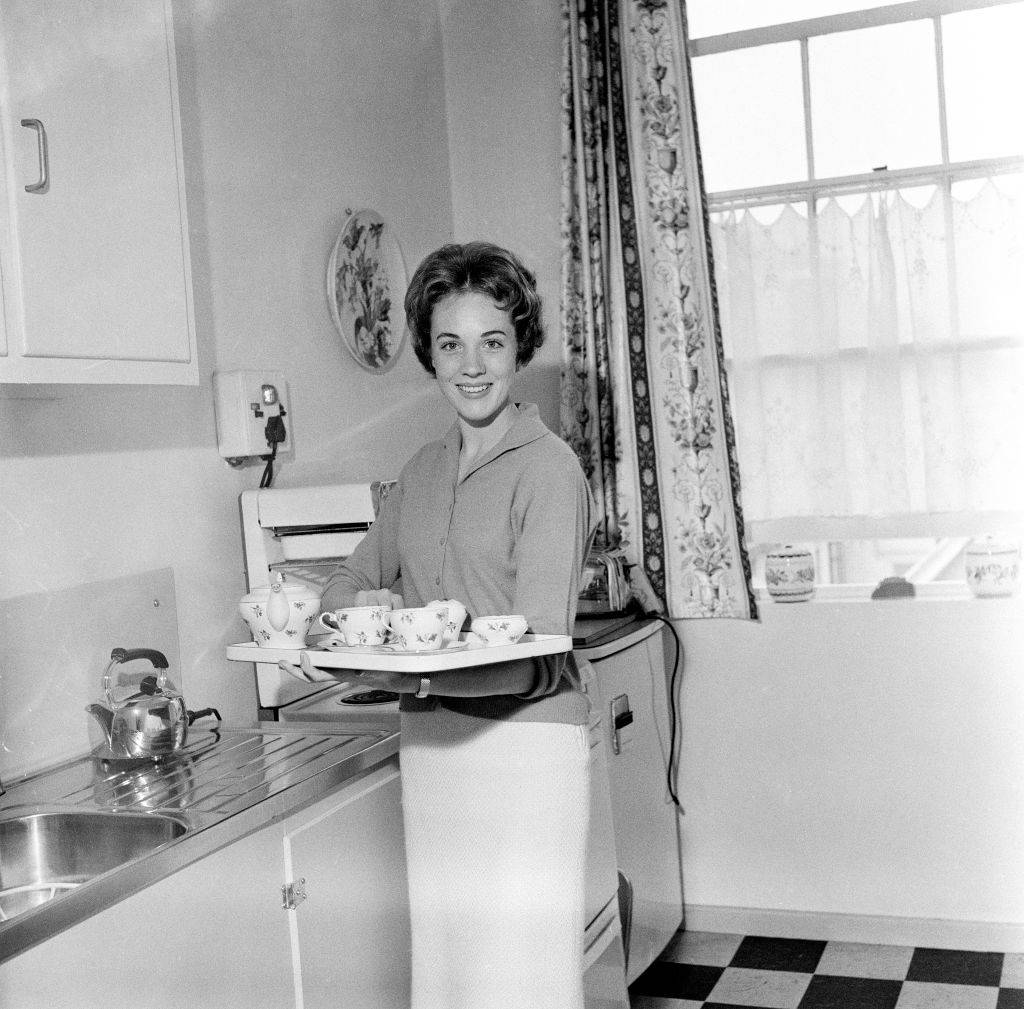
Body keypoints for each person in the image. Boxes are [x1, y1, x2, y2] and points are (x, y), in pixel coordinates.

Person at [316, 241, 597, 1009]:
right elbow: (347, 581)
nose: (472, 365)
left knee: (522, 982)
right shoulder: (420, 471)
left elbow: (540, 646)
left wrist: (400, 663)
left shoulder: (549, 469)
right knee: (446, 977)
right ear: (430, 355)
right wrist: (353, 619)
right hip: (433, 746)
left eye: (492, 342)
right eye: (451, 344)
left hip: (526, 748)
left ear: (518, 348)